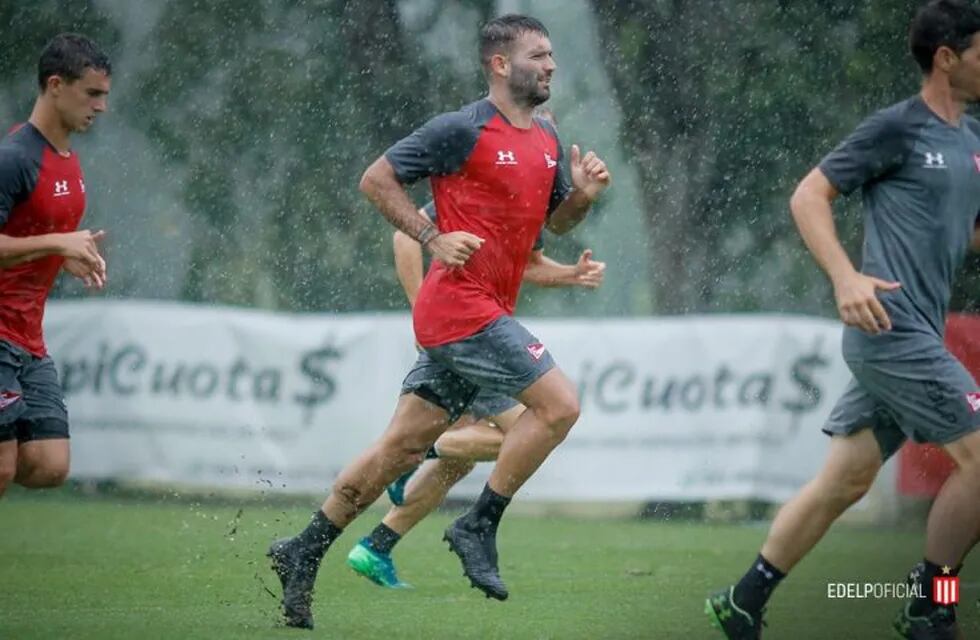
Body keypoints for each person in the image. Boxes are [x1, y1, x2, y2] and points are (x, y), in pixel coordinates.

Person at [267, 13, 610, 629]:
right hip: (460, 310)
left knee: (398, 450)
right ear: (500, 64)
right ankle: (479, 524)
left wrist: (581, 193)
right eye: (538, 55)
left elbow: (556, 225)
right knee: (559, 406)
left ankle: (304, 549)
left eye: (553, 54)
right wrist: (431, 233)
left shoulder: (551, 141)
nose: (551, 64)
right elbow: (376, 180)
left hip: (479, 314)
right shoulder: (461, 129)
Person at [706, 2, 980, 638]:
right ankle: (931, 603)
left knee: (844, 480)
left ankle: (743, 600)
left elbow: (959, 235)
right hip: (889, 329)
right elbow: (809, 195)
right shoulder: (897, 128)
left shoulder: (970, 142)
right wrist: (845, 277)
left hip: (913, 332)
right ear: (947, 58)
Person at [347, 184, 606, 588]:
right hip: (467, 335)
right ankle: (423, 452)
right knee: (528, 433)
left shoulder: (528, 198)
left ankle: (378, 544)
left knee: (468, 458)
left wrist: (570, 274)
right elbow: (404, 236)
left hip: (477, 331)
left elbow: (529, 266)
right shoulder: (484, 184)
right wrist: (421, 310)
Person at [0, 33, 110, 499]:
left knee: (49, 464)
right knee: (2, 467)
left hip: (29, 337)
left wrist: (62, 254)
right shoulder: (13, 158)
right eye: (93, 93)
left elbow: (28, 238)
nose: (101, 106)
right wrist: (58, 241)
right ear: (55, 85)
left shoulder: (67, 161)